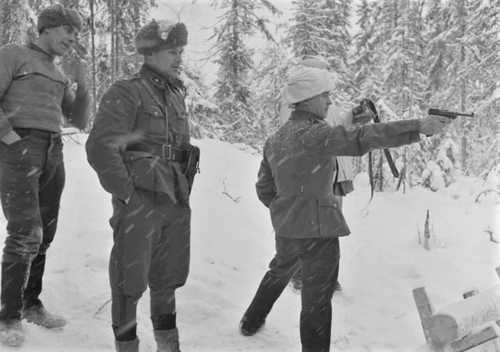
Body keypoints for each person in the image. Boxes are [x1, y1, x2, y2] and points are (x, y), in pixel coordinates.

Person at [239, 65, 450, 352]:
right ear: (308, 99)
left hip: (287, 227)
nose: (328, 101)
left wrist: (285, 209)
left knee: (280, 269)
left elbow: (264, 188)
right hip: (319, 231)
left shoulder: (276, 139)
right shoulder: (315, 134)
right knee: (316, 302)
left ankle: (251, 321)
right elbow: (363, 138)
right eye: (324, 96)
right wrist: (417, 127)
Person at [86, 19, 199, 352]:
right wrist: (127, 193)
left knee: (168, 279)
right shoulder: (128, 90)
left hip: (175, 199)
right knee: (128, 282)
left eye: (180, 51)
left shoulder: (176, 94)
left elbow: (180, 149)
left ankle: (169, 347)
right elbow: (101, 146)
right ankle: (127, 347)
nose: (179, 58)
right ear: (150, 52)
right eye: (171, 51)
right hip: (141, 199)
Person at [0, 4, 89, 347]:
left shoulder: (56, 72)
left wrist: (81, 86)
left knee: (45, 231)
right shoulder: (13, 55)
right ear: (48, 28)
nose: (72, 39)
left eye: (76, 33)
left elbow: (78, 119)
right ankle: (7, 315)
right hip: (20, 146)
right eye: (69, 31)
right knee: (25, 231)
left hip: (53, 149)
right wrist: (10, 138)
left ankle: (29, 302)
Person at [281, 56, 363, 293]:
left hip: (335, 175)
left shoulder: (329, 106)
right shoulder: (294, 106)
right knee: (307, 229)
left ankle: (327, 278)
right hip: (312, 177)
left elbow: (341, 128)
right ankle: (299, 275)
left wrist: (354, 117)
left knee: (330, 229)